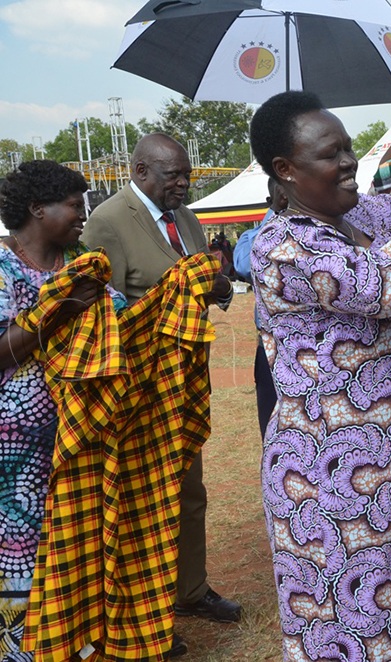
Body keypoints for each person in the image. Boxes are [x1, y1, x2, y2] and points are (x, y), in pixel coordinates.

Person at [247, 90, 391, 661]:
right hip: (330, 480)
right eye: (332, 154)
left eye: (349, 148)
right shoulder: (285, 246)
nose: (350, 162)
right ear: (287, 170)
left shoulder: (355, 215)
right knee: (351, 626)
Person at [81, 134, 242, 636]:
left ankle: (190, 591)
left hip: (185, 383)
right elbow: (101, 309)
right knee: (141, 503)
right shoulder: (108, 221)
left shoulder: (187, 218)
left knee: (189, 491)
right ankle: (143, 616)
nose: (183, 184)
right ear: (141, 170)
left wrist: (218, 287)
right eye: (173, 175)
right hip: (139, 388)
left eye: (187, 174)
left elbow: (198, 285)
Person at [0, 160, 126, 660]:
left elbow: (124, 323)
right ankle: (23, 648)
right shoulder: (3, 270)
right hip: (17, 455)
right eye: (75, 205)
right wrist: (60, 312)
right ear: (37, 209)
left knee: (76, 543)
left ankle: (73, 642)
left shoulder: (82, 267)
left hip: (79, 441)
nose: (83, 214)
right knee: (21, 551)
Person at [232, 177, 287, 438]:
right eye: (282, 195)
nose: (288, 200)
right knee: (271, 426)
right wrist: (274, 220)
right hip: (269, 347)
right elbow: (245, 267)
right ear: (270, 201)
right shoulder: (251, 237)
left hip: (310, 351)